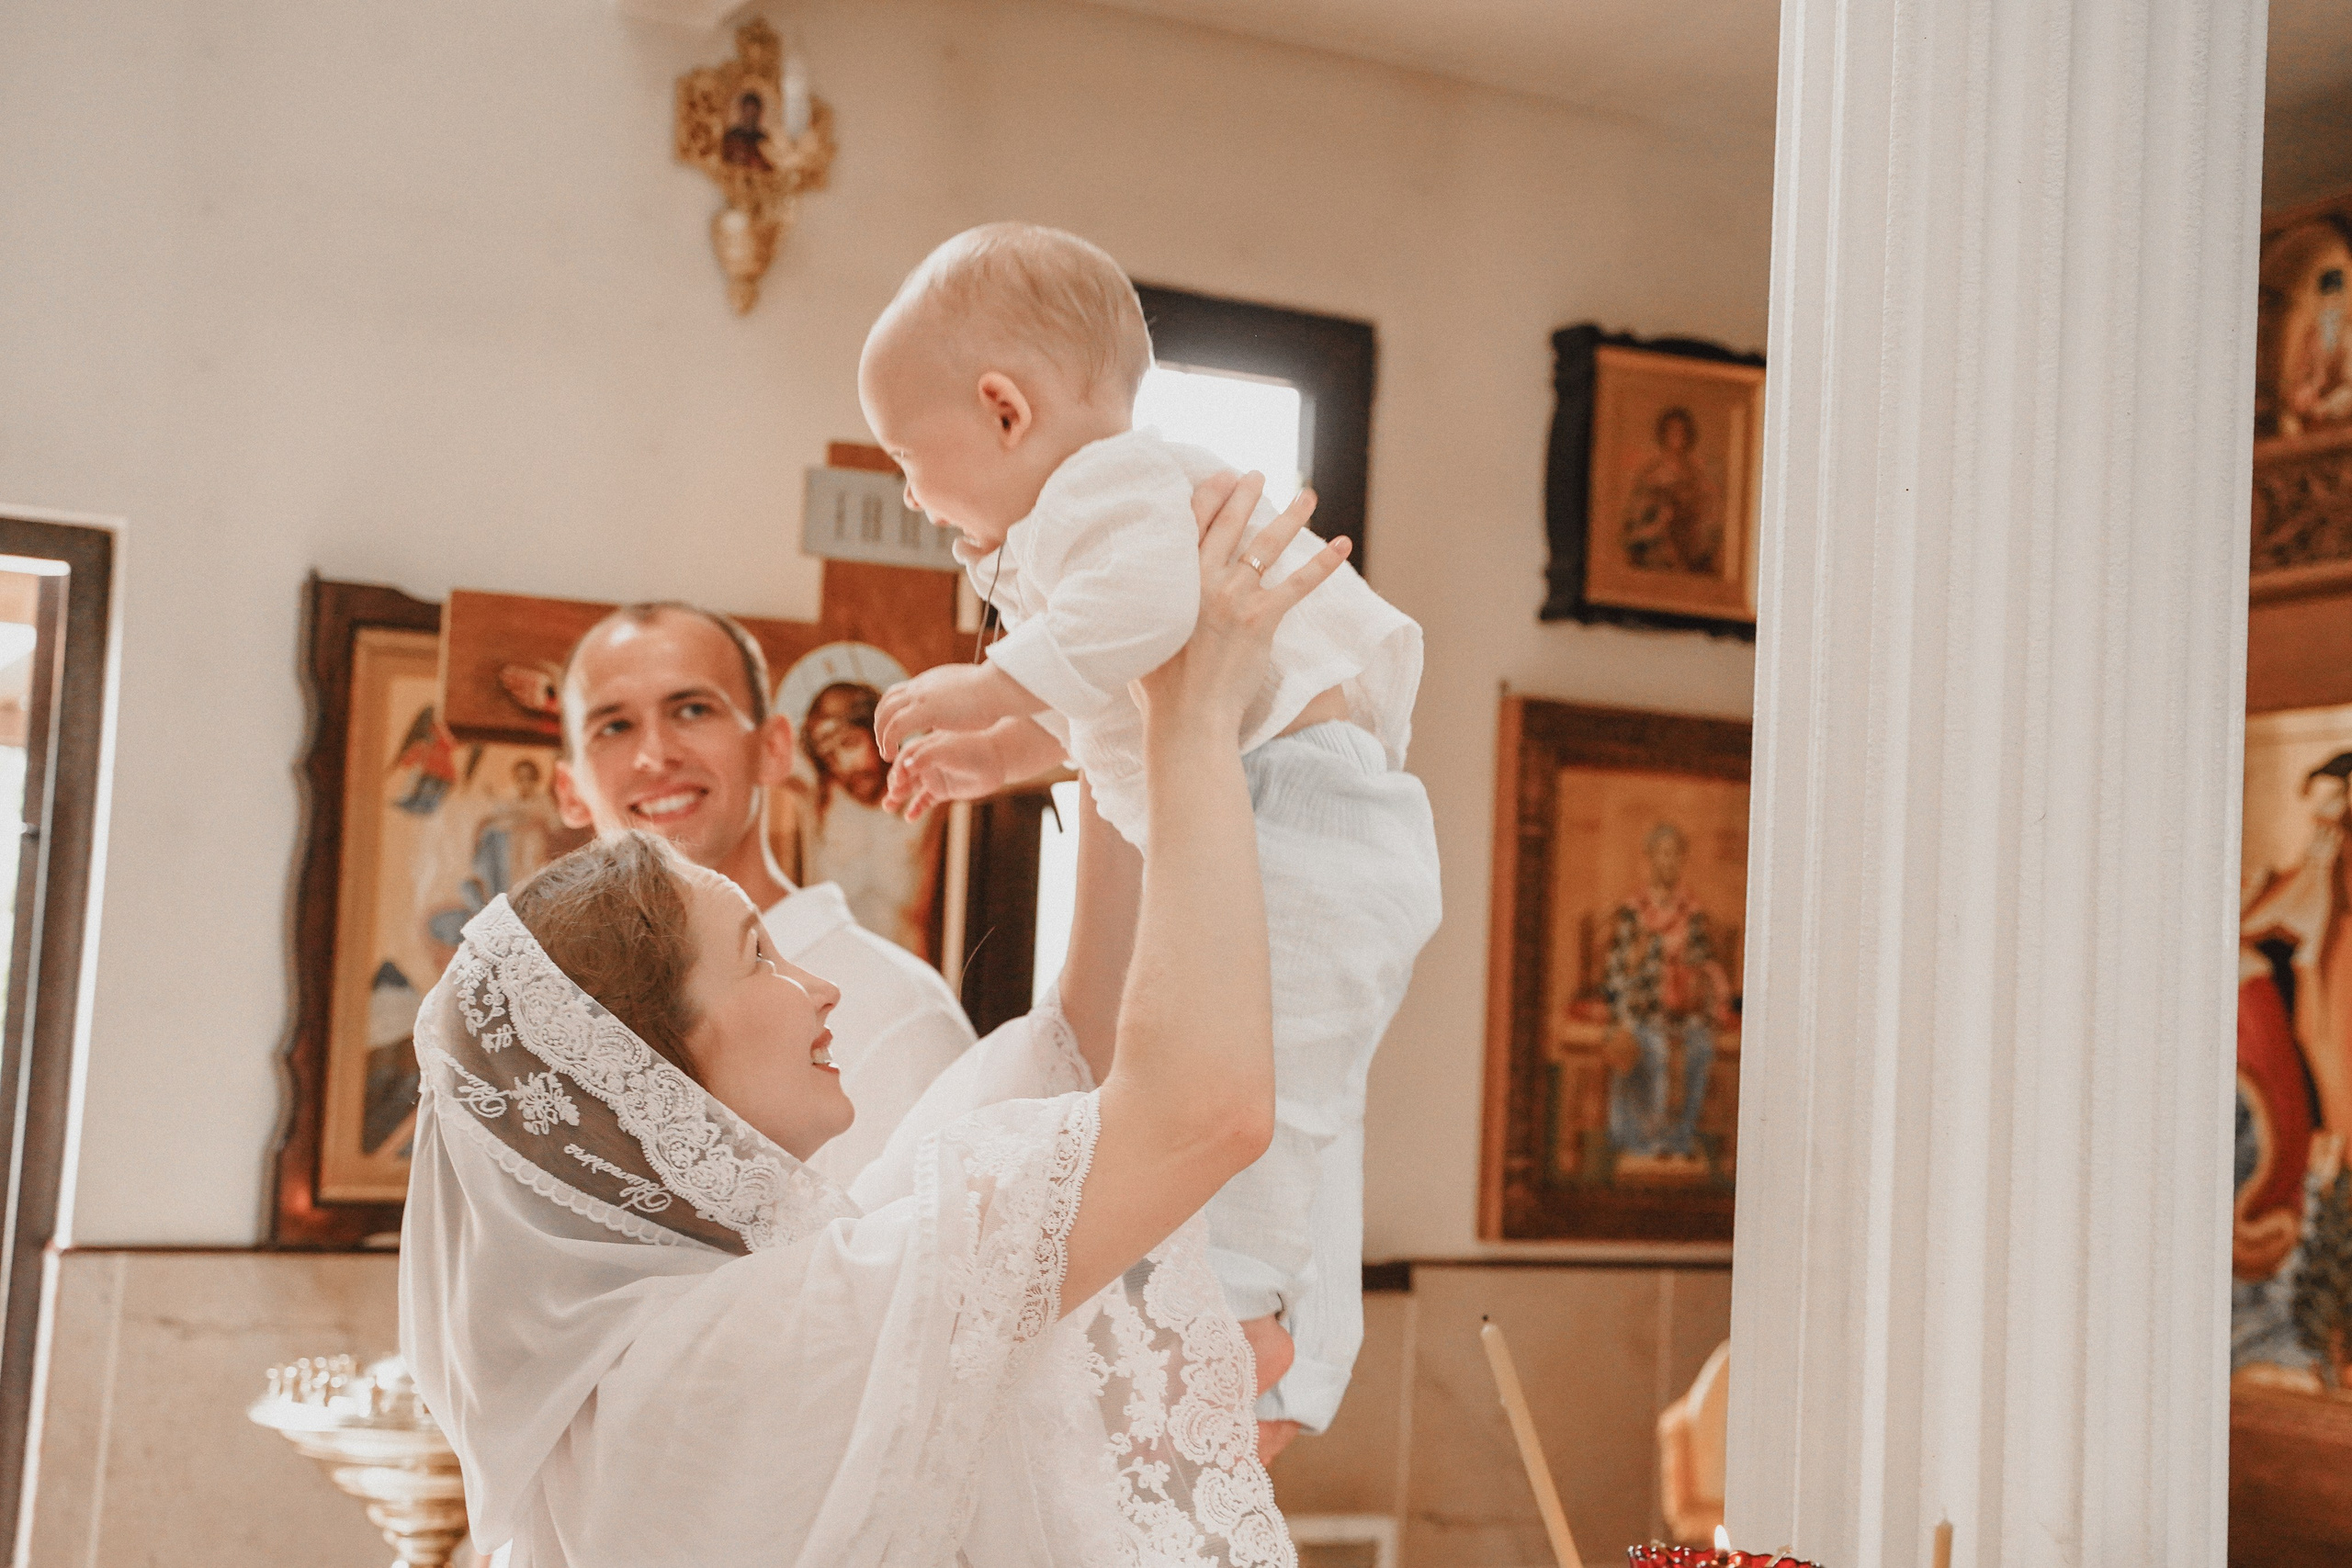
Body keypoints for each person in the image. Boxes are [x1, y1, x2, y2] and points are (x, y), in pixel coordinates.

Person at [399, 484, 1340, 1566]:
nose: (823, 988)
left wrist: (1103, 722)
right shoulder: (745, 1346)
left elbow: (1074, 1043)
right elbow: (1201, 1112)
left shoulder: (720, 1308)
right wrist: (1195, 719)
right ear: (658, 1073)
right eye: (761, 957)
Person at [857, 221, 1442, 1451]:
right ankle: (1291, 1355)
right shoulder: (1086, 514)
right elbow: (1140, 685)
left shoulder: (1107, 488)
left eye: (911, 459)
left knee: (1260, 1096)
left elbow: (1149, 608)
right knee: (1297, 1098)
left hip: (1301, 814)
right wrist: (1021, 744)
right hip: (1290, 802)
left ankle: (1222, 1313)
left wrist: (995, 687)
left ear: (1004, 408)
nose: (912, 494)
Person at [548, 600, 970, 1186]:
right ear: (569, 791)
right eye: (613, 726)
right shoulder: (553, 1016)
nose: (655, 755)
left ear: (774, 748)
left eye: (693, 710)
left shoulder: (897, 1012)